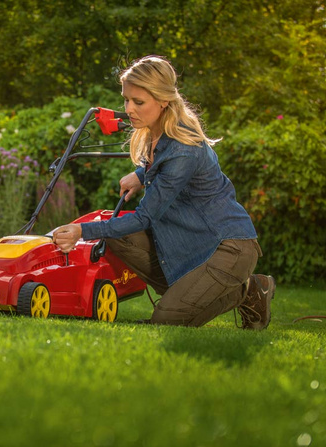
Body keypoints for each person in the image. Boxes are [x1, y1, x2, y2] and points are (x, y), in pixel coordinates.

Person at [53, 55, 275, 329]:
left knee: (166, 321)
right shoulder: (156, 134)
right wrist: (140, 174)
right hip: (187, 241)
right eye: (126, 99)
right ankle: (186, 293)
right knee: (119, 237)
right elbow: (167, 170)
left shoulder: (184, 148)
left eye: (139, 102)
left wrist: (82, 231)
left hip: (227, 247)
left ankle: (250, 290)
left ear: (163, 100)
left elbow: (146, 216)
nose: (129, 109)